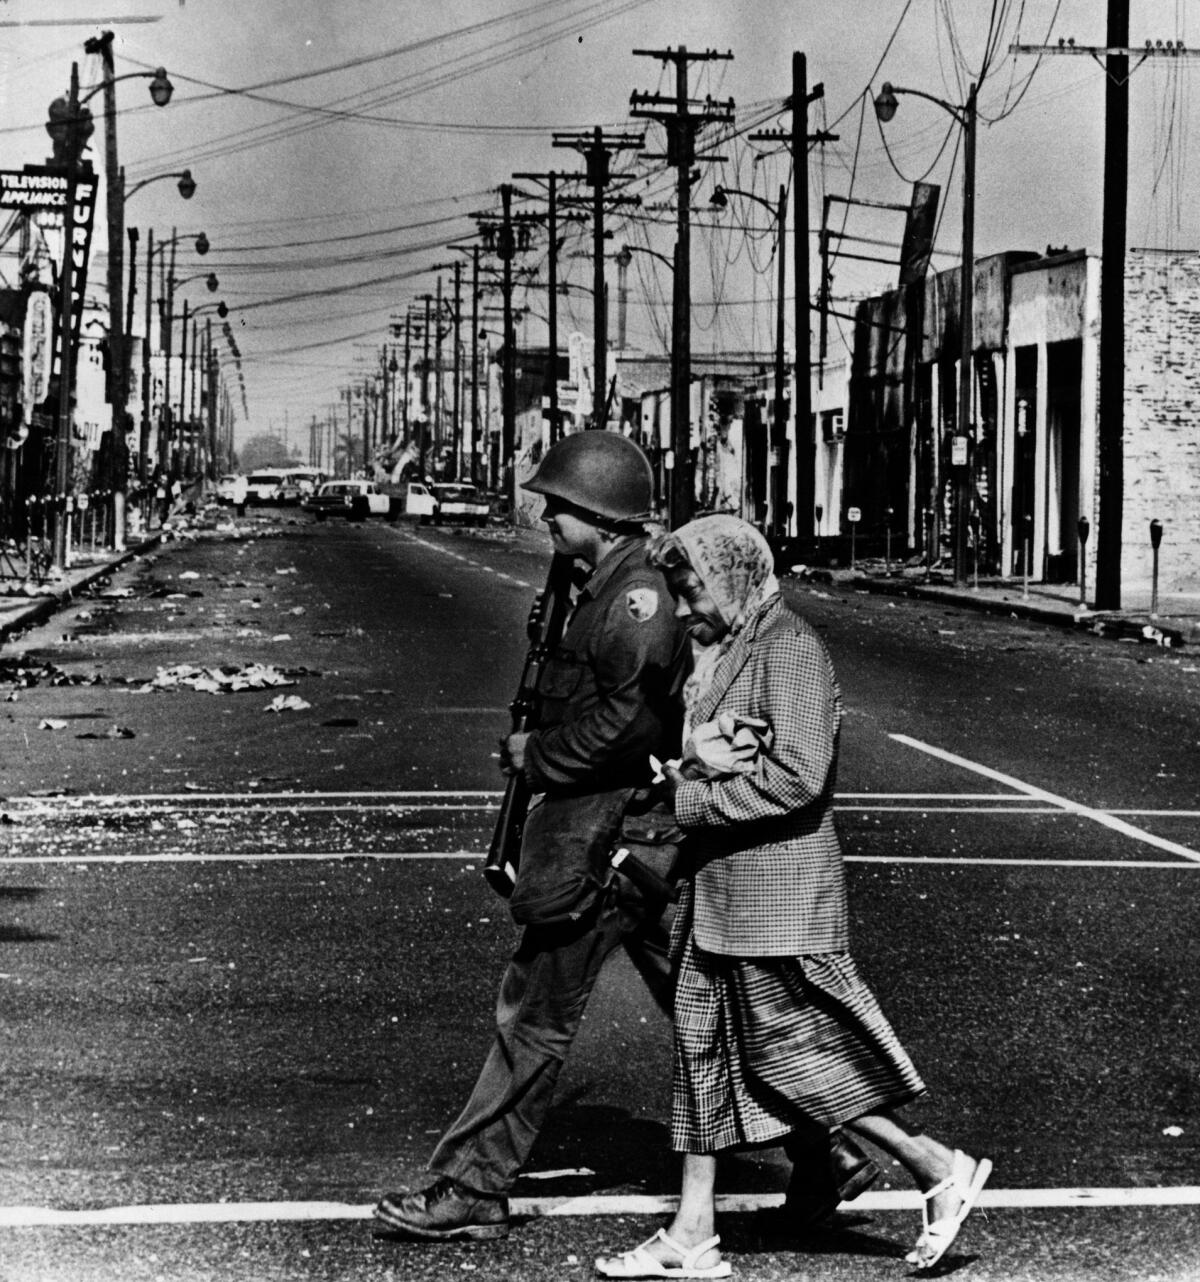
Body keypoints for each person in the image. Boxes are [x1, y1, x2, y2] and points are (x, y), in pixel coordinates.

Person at [373, 437, 877, 1245]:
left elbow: (632, 720)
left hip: (609, 835)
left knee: (534, 1012)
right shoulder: (599, 582)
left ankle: (471, 1185)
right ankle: (832, 1151)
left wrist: (537, 757)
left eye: (559, 507)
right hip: (635, 837)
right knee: (714, 1010)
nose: (546, 518)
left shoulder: (636, 594)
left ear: (599, 515)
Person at [596, 515, 991, 1279]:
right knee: (702, 1057)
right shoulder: (731, 648)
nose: (682, 610)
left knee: (793, 1057)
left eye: (690, 592)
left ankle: (936, 1164)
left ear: (735, 580)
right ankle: (692, 1231)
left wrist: (690, 800)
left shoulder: (791, 650)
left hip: (777, 893)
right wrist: (689, 773)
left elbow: (800, 776)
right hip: (718, 889)